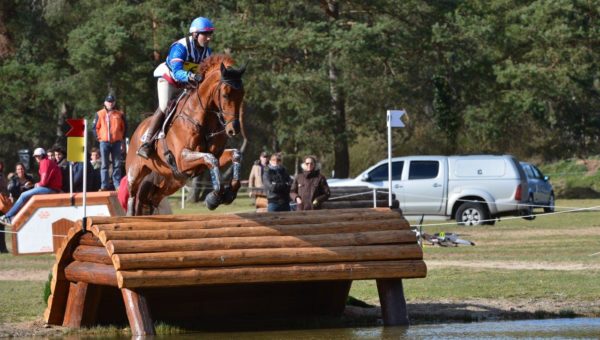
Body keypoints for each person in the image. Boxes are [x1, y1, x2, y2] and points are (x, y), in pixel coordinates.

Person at [137, 16, 215, 159]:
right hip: (169, 79)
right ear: (195, 34)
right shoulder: (180, 47)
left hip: (187, 83)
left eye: (210, 34)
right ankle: (147, 142)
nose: (209, 38)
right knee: (164, 105)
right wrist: (192, 77)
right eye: (205, 34)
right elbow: (177, 71)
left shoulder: (207, 52)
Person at [0, 148, 62, 225]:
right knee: (27, 196)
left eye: (37, 156)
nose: (36, 158)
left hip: (52, 189)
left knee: (23, 195)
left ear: (41, 155)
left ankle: (8, 216)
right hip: (53, 188)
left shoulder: (44, 162)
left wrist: (36, 185)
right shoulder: (47, 161)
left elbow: (43, 182)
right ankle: (17, 216)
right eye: (35, 157)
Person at [93, 95, 127, 191]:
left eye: (112, 101)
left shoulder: (119, 114)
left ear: (114, 103)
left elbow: (124, 128)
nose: (110, 103)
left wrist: (122, 140)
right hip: (104, 142)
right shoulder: (99, 114)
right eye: (108, 101)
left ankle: (117, 184)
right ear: (105, 103)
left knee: (117, 164)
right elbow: (95, 127)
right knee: (104, 164)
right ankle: (104, 185)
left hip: (116, 142)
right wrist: (99, 138)